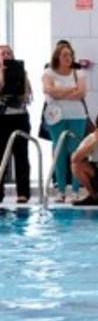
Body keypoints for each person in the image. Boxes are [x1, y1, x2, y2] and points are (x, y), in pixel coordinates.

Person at [42, 42, 90, 202]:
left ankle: (76, 189)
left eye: (70, 55)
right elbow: (48, 90)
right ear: (57, 56)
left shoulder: (79, 73)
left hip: (77, 116)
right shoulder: (49, 72)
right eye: (64, 55)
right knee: (60, 153)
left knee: (75, 153)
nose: (68, 58)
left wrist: (59, 92)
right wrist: (70, 90)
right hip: (56, 117)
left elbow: (81, 93)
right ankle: (61, 190)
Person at [0, 45, 32, 204]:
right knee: (1, 157)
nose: (6, 56)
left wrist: (21, 79)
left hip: (19, 117)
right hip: (2, 118)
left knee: (21, 156)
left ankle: (23, 193)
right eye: (2, 54)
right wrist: (1, 73)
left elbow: (26, 96)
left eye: (9, 53)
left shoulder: (20, 71)